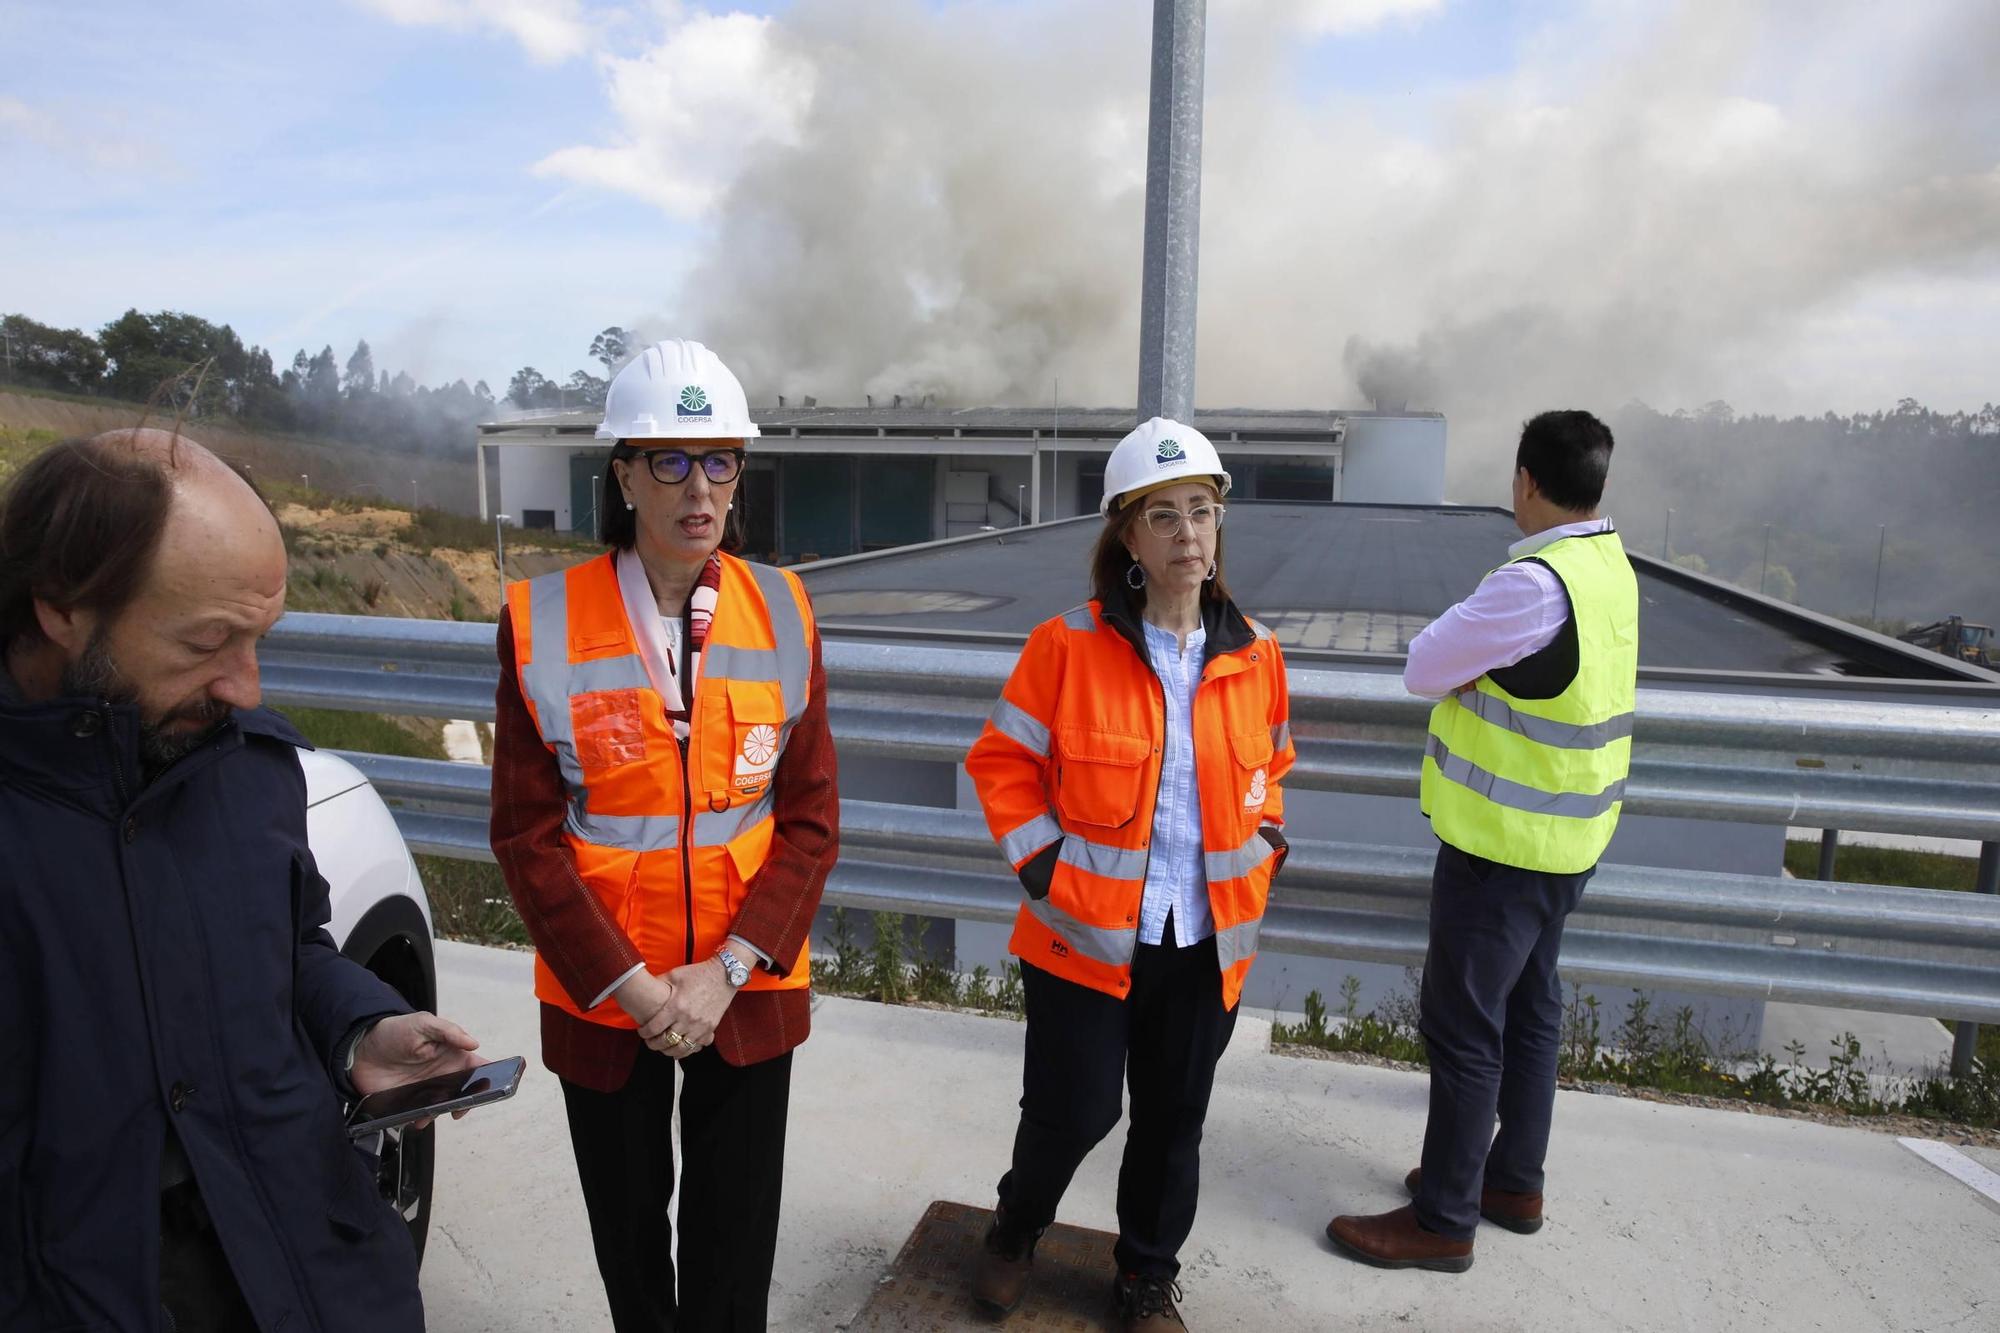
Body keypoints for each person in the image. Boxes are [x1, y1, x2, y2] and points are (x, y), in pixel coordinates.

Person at [0, 428, 486, 1331]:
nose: (248, 688)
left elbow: (288, 943)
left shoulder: (248, 769)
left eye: (260, 637)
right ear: (61, 608)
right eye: (210, 640)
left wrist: (357, 1029)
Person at [490, 339, 838, 1332]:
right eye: (670, 461)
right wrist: (635, 985)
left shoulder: (784, 609)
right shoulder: (540, 621)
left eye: (720, 459)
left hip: (746, 978)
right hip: (608, 995)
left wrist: (725, 968)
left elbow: (809, 817)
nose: (699, 487)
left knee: (735, 1258)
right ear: (624, 476)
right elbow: (525, 836)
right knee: (632, 1251)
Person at [963, 417, 1295, 1331]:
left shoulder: (1256, 653)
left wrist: (1266, 846)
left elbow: (1273, 770)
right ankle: (1016, 1225)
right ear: (1129, 538)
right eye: (1164, 517)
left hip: (1206, 940)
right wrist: (1047, 872)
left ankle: (1146, 1273)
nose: (1188, 532)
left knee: (1173, 1121)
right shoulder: (1065, 648)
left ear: (1220, 524)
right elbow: (1001, 763)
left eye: (1201, 510)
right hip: (1082, 935)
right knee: (1072, 1112)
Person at [1325, 410, 1638, 1272]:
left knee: (1464, 1026)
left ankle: (1444, 1218)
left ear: (1525, 481)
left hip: (1504, 847)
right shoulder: (1610, 568)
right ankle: (1512, 1181)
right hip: (1570, 840)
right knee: (1532, 1012)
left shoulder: (1533, 583)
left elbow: (1424, 665)